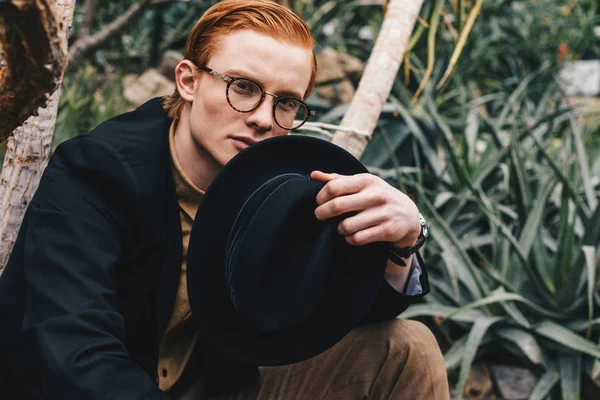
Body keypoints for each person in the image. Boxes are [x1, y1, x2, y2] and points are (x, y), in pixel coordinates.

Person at [0, 0, 449, 398]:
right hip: (101, 386)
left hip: (222, 384)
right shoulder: (96, 172)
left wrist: (404, 242)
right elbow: (75, 352)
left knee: (408, 348)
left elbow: (345, 312)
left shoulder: (278, 180)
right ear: (188, 81)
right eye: (244, 87)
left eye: (287, 102)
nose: (262, 119)